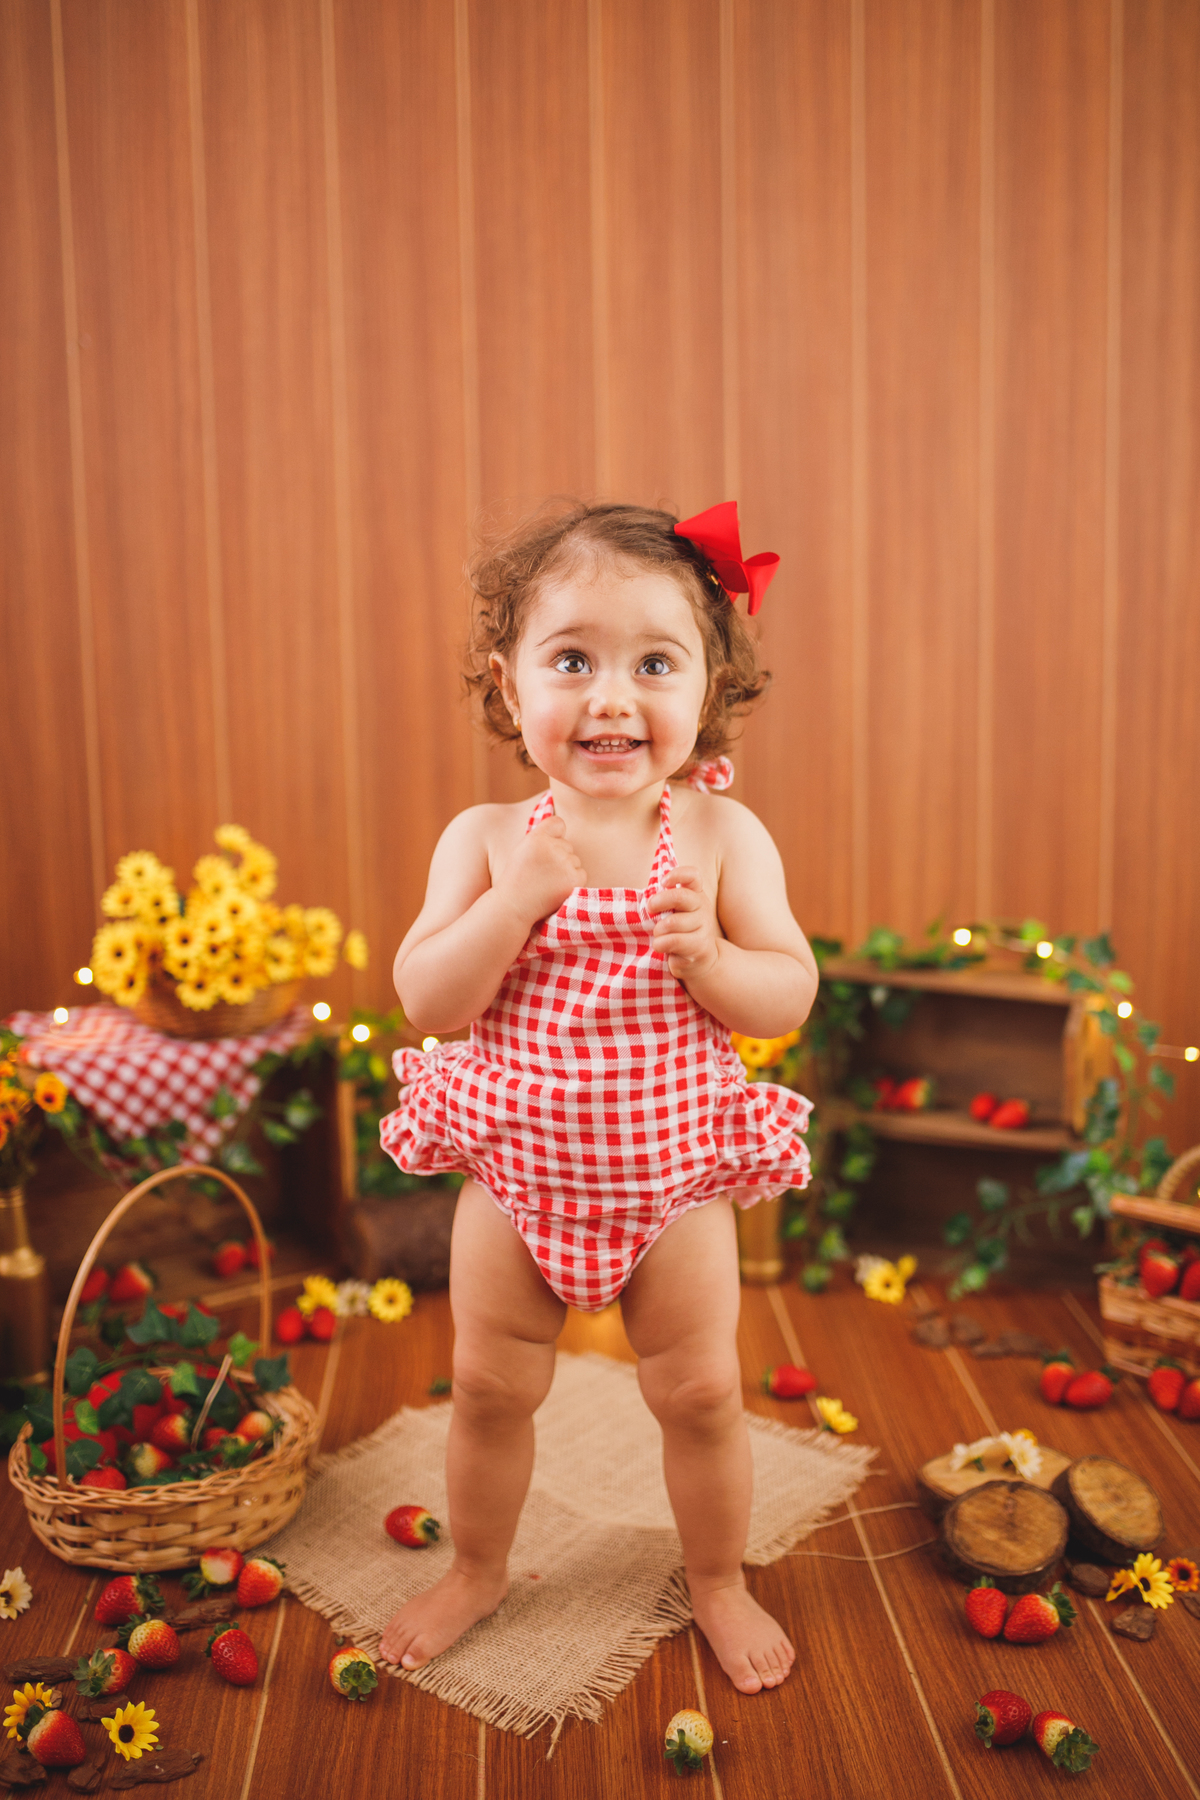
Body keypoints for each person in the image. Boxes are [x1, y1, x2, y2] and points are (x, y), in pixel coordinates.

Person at [377, 501, 818, 1695]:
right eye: (572, 659)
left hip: (672, 1179)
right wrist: (511, 903)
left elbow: (789, 993)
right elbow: (428, 997)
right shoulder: (485, 839)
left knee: (704, 1391)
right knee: (487, 1384)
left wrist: (715, 965)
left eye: (654, 663)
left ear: (708, 686)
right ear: (509, 685)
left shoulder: (723, 836)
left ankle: (718, 1578)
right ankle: (476, 1567)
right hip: (518, 1179)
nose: (612, 698)